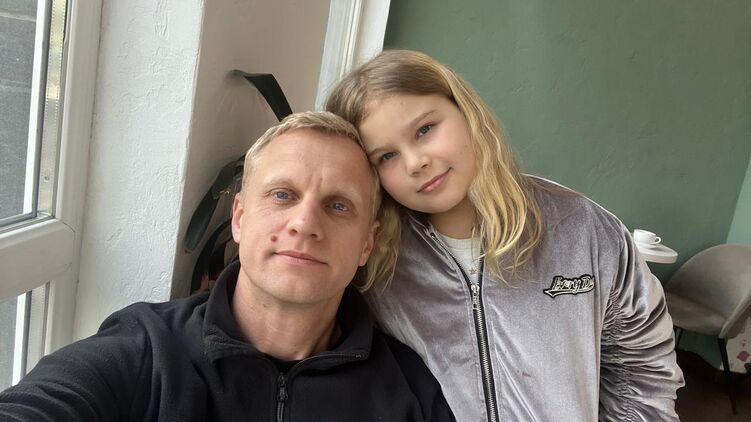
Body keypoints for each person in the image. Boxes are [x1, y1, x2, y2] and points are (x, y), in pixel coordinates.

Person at [0, 111, 455, 421]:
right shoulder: (147, 349)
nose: (304, 223)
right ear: (239, 217)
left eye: (338, 205)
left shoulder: (411, 391)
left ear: (366, 244)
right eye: (282, 195)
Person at [325, 50, 684, 421]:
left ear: (466, 111)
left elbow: (643, 370)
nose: (416, 162)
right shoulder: (378, 263)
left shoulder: (582, 228)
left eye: (425, 129)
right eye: (386, 156)